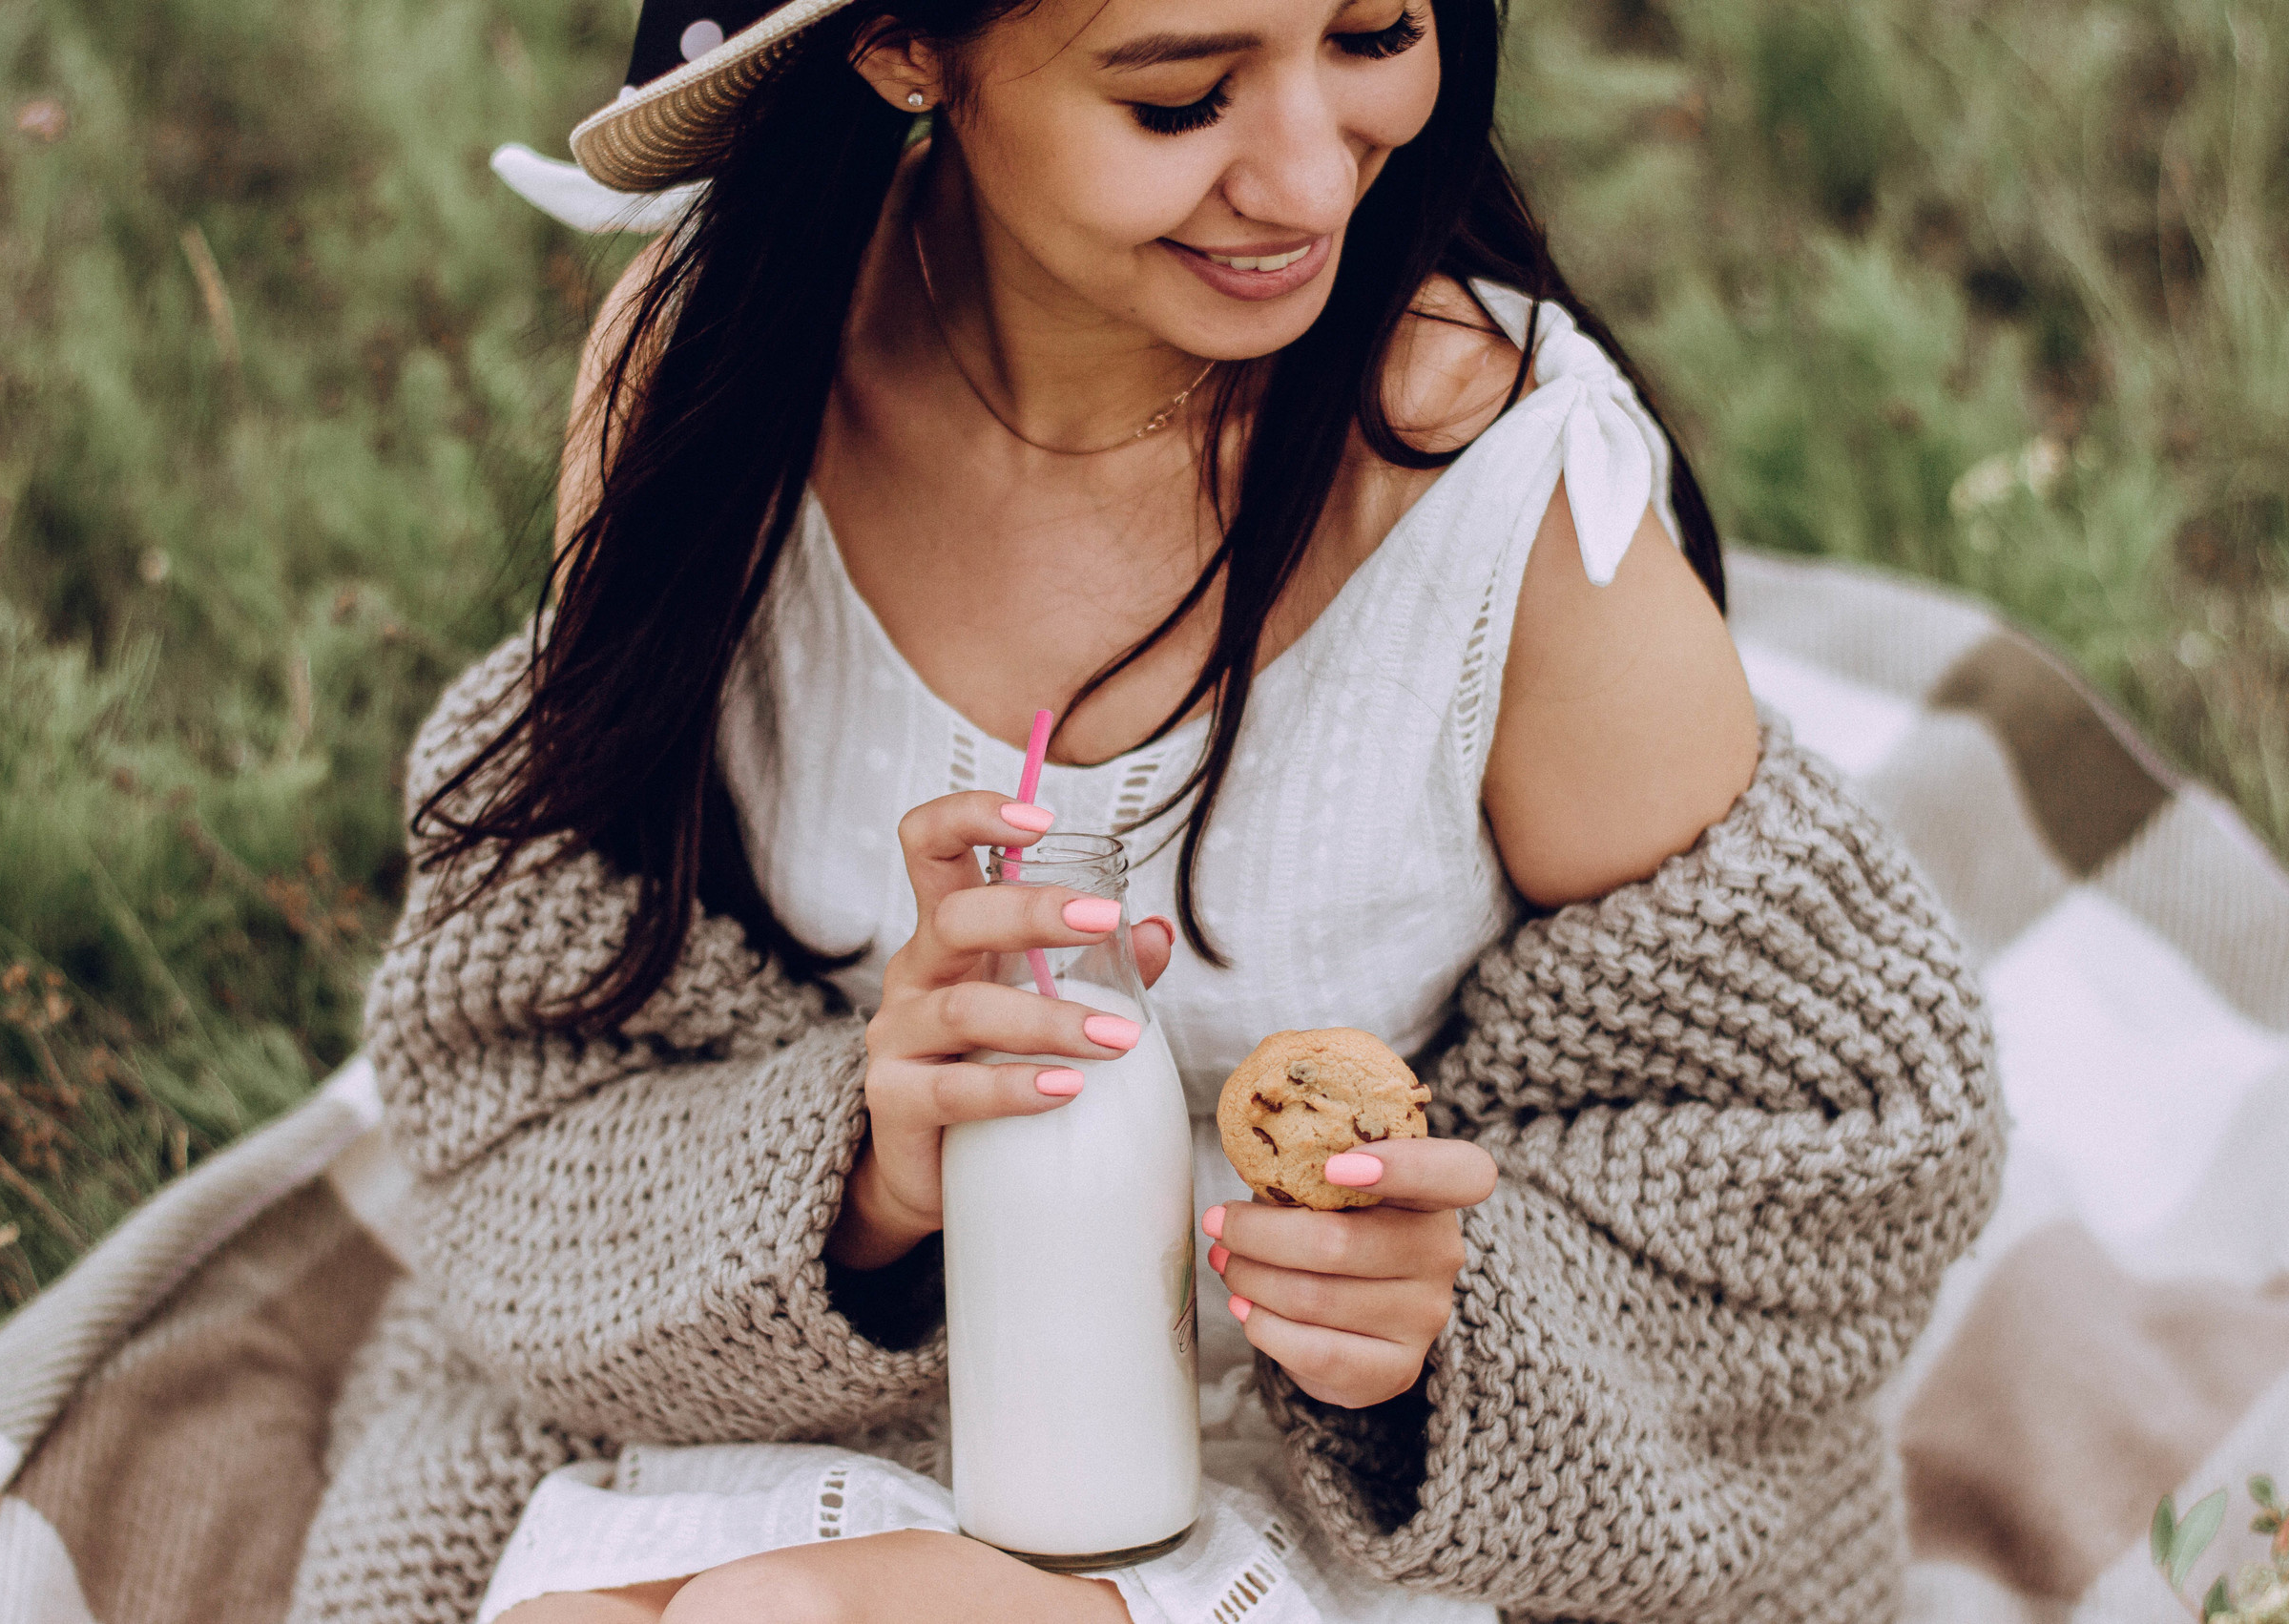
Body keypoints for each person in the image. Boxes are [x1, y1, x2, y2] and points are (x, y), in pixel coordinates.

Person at [280, 0, 2003, 1618]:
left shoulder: (1511, 499)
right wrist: (860, 1172)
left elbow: (1851, 1140)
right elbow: (532, 1067)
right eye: (1181, 96)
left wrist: (1444, 1311)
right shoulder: (719, 385)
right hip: (817, 1391)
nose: (1312, 181)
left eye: (1375, 34)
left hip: (1359, 1482)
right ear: (905, 52)